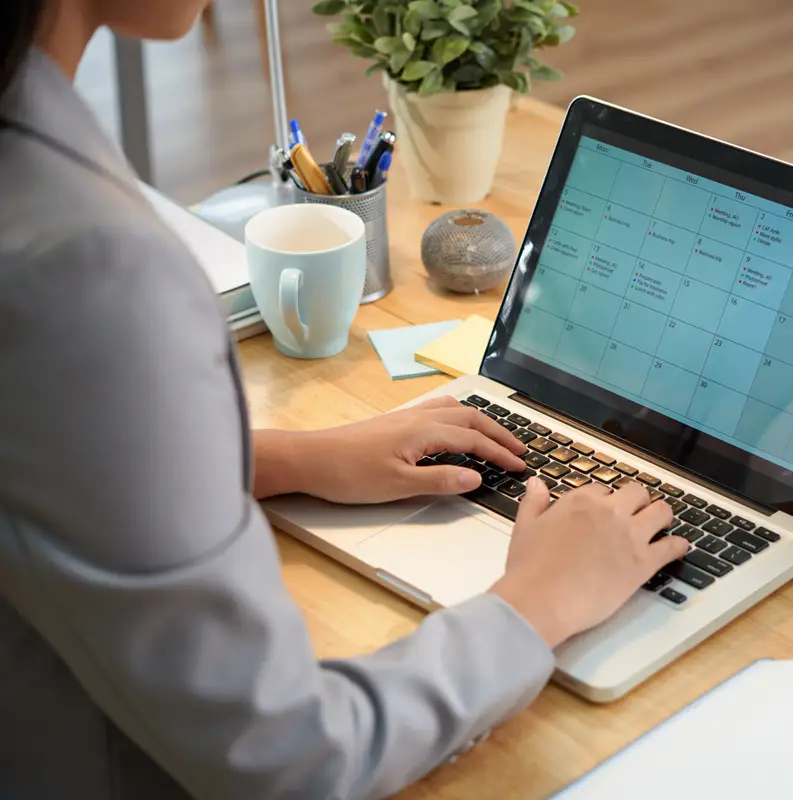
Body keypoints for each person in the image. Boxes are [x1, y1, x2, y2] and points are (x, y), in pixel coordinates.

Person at [0, 1, 689, 798]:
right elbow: (291, 759)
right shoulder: (88, 268)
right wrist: (537, 603)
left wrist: (290, 458)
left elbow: (44, 439)